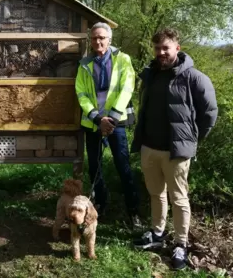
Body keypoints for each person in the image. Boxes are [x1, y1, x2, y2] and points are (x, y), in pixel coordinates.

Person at [131, 28, 218, 270]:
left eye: (165, 48)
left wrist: (192, 139)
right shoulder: (150, 75)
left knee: (179, 199)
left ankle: (180, 243)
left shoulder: (194, 78)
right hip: (149, 147)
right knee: (156, 194)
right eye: (157, 48)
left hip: (176, 152)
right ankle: (157, 234)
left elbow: (209, 113)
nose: (161, 53)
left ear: (177, 48)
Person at [75, 22, 140, 227]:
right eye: (94, 38)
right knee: (94, 167)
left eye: (102, 37)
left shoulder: (122, 59)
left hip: (115, 123)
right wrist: (97, 118)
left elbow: (127, 88)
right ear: (90, 40)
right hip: (93, 123)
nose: (98, 41)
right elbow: (81, 93)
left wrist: (110, 118)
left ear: (109, 39)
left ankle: (133, 211)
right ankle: (101, 204)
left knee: (123, 166)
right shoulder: (85, 63)